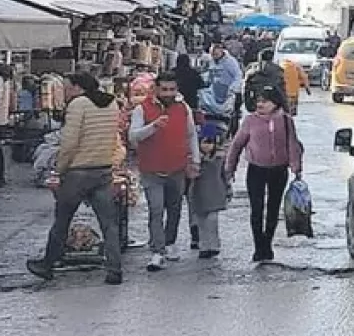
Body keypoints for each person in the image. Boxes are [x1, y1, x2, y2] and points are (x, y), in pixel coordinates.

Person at [26, 72, 124, 285]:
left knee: (62, 219)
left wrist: (60, 170)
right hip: (104, 170)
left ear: (79, 88)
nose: (66, 92)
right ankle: (115, 269)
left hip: (78, 172)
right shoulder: (111, 104)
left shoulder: (78, 105)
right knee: (109, 223)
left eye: (68, 87)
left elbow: (69, 142)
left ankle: (48, 264)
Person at [129, 71, 201, 271]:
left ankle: (170, 243)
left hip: (177, 168)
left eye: (172, 89)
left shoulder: (183, 107)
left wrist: (195, 160)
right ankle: (157, 250)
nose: (168, 93)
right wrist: (153, 126)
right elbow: (133, 137)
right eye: (164, 89)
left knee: (175, 208)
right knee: (156, 209)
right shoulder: (142, 109)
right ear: (156, 89)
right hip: (151, 170)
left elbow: (191, 135)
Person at [225, 86, 303, 263]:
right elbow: (236, 145)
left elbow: (292, 144)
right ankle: (258, 246)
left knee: (273, 209)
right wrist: (230, 168)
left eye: (264, 101)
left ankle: (267, 242)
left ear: (275, 103)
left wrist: (296, 167)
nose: (260, 104)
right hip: (256, 169)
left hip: (279, 170)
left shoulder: (286, 121)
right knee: (257, 209)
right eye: (258, 101)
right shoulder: (250, 121)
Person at [189, 123, 229, 259]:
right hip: (199, 193)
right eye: (203, 142)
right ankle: (204, 246)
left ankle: (214, 245)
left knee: (212, 220)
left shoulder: (219, 158)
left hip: (215, 193)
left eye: (209, 142)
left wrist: (228, 189)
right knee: (201, 221)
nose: (206, 146)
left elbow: (224, 175)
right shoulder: (194, 160)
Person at [209, 43, 244, 115]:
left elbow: (238, 75)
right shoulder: (212, 60)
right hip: (216, 91)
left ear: (221, 52)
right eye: (212, 55)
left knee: (228, 114)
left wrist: (233, 88)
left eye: (216, 54)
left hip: (229, 92)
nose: (214, 57)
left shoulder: (230, 61)